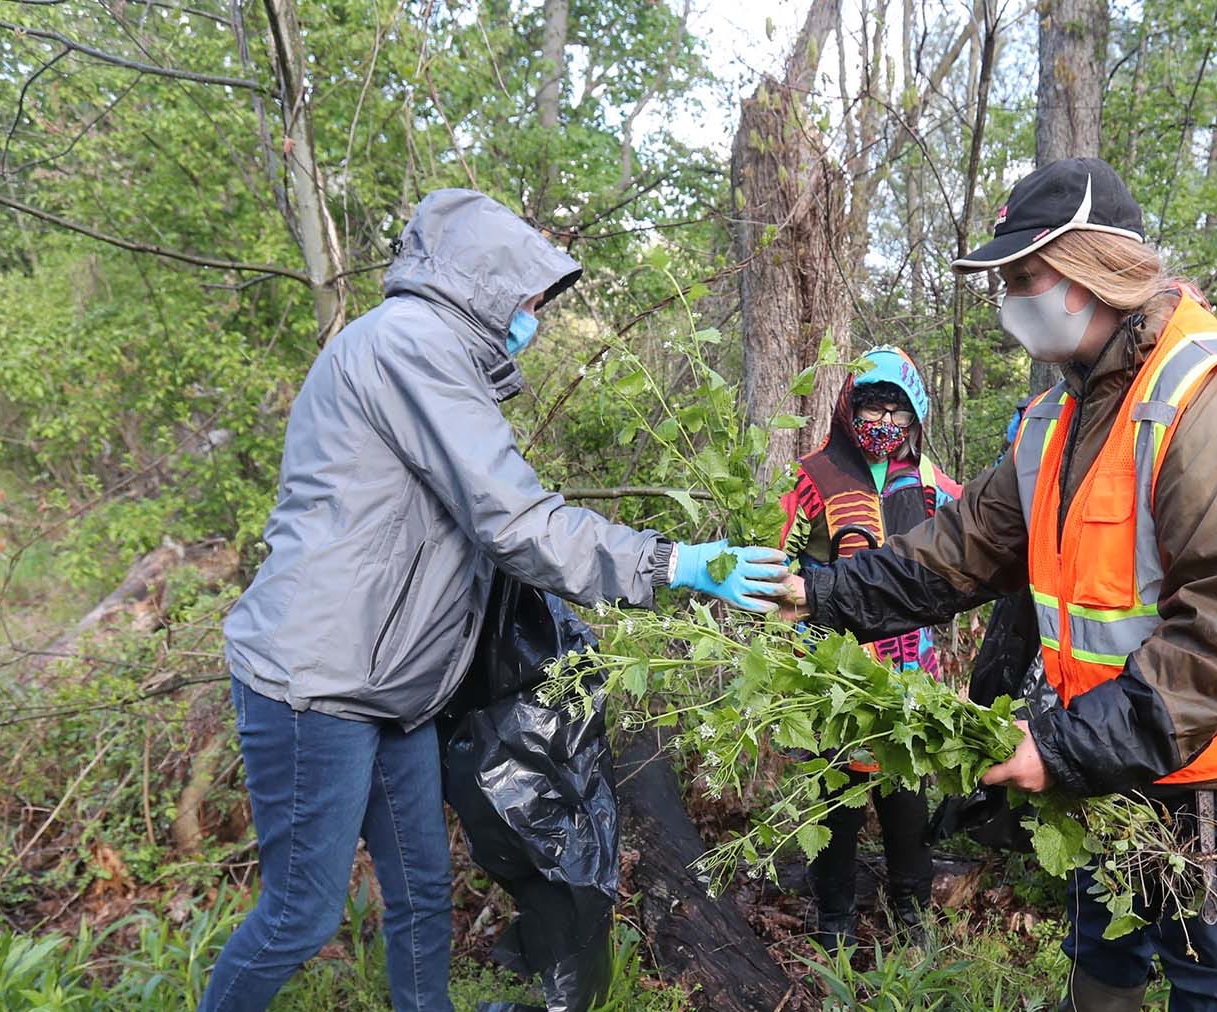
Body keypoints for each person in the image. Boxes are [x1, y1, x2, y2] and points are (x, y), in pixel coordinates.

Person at [777, 158, 1217, 1011]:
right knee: (1105, 930)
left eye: (1024, 277)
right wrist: (823, 594)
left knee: (1213, 966)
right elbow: (963, 544)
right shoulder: (1060, 410)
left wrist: (1058, 749)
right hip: (1125, 734)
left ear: (1092, 268)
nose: (1011, 301)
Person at [206, 189, 789, 1012]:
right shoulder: (406, 346)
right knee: (301, 915)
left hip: (392, 689)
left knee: (420, 890)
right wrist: (671, 562)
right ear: (479, 284)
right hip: (317, 681)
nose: (532, 317)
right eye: (525, 298)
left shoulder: (432, 353)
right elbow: (514, 520)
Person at [775, 346, 959, 949]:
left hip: (912, 674)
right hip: (838, 670)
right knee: (839, 803)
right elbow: (779, 562)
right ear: (847, 408)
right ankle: (834, 920)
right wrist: (787, 633)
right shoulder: (816, 476)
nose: (881, 420)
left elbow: (977, 547)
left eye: (894, 408)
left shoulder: (932, 484)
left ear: (916, 415)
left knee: (907, 796)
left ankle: (912, 911)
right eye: (870, 405)